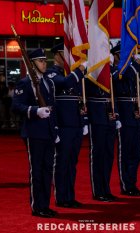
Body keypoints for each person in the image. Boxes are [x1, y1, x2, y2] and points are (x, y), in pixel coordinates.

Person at [12, 48, 58, 218]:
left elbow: (53, 107)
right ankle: (37, 207)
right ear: (31, 64)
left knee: (47, 171)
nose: (44, 63)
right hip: (34, 132)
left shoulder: (48, 82)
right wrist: (34, 110)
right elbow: (16, 106)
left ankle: (45, 205)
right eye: (40, 61)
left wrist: (55, 128)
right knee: (37, 170)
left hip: (48, 131)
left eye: (45, 60)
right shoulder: (25, 83)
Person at [46, 42, 86, 208]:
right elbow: (65, 83)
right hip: (62, 124)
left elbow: (80, 97)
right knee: (62, 162)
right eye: (65, 53)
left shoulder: (71, 73)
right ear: (56, 55)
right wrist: (79, 71)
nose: (70, 57)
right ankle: (61, 197)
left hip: (76, 123)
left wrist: (84, 120)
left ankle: (70, 195)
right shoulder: (51, 73)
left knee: (72, 163)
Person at [85, 46, 120, 202]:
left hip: (109, 115)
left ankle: (106, 188)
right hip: (97, 115)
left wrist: (116, 113)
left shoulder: (110, 71)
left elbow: (114, 93)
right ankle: (98, 190)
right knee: (98, 154)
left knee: (108, 155)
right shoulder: (90, 70)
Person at [112, 43, 140, 196]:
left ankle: (132, 183)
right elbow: (123, 75)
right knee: (125, 152)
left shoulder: (132, 72)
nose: (130, 58)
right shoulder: (116, 71)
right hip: (124, 116)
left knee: (136, 152)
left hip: (135, 114)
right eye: (127, 55)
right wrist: (134, 65)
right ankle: (126, 185)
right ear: (118, 56)